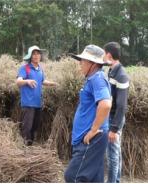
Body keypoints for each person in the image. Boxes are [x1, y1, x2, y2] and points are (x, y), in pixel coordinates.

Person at [64, 44, 112, 183]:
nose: (80, 63)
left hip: (91, 139)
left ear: (93, 63)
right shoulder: (92, 78)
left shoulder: (97, 78)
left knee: (73, 177)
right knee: (94, 179)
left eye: (83, 60)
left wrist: (93, 130)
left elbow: (106, 104)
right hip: (90, 138)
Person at [16, 45, 57, 146]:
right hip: (28, 104)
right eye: (34, 54)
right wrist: (27, 81)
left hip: (37, 103)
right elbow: (18, 81)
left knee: (35, 126)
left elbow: (43, 81)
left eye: (38, 53)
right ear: (30, 56)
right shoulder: (25, 68)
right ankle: (26, 146)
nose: (36, 56)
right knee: (27, 127)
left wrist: (53, 83)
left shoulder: (40, 70)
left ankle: (31, 144)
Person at [104, 42, 129, 183]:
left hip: (115, 119)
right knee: (115, 153)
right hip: (111, 117)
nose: (103, 56)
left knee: (112, 156)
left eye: (103, 53)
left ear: (108, 55)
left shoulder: (121, 75)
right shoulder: (111, 71)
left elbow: (121, 106)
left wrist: (114, 128)